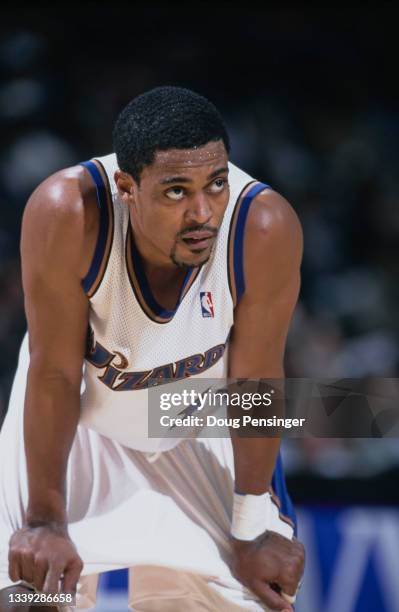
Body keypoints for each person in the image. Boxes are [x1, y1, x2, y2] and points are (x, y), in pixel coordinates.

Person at [0, 86, 304, 611]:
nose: (203, 213)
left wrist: (252, 525)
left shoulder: (263, 226)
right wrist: (45, 521)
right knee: (29, 598)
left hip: (188, 418)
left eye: (216, 184)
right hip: (75, 419)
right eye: (175, 192)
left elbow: (254, 384)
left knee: (252, 600)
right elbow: (52, 375)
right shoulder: (66, 212)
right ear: (126, 187)